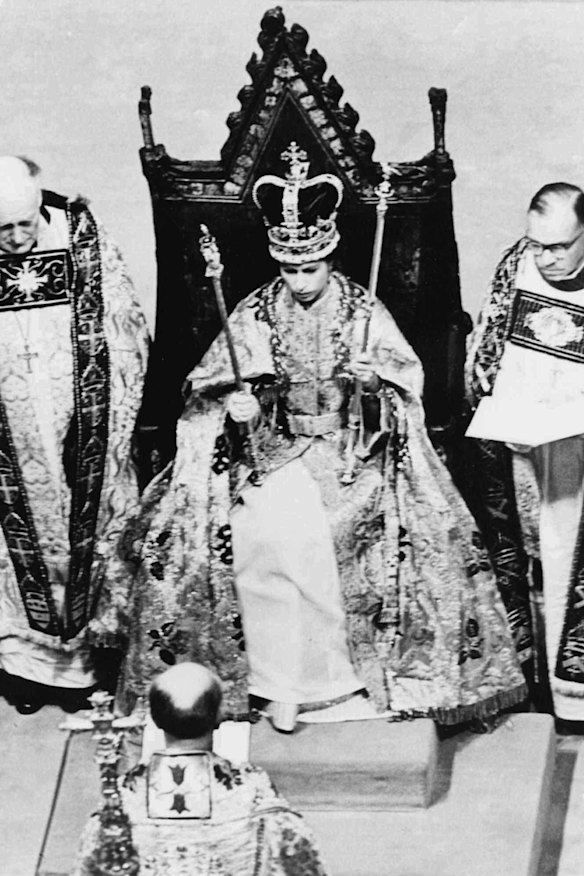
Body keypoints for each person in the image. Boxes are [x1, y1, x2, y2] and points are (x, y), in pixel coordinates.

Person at [114, 142, 526, 731]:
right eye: (289, 269)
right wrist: (237, 404)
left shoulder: (361, 309)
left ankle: (342, 679)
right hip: (277, 451)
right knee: (254, 531)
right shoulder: (257, 311)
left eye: (311, 268)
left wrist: (374, 386)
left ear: (330, 258)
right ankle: (276, 683)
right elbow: (207, 383)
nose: (301, 281)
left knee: (330, 532)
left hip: (352, 452)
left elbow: (406, 386)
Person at [0, 156, 149, 713]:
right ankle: (29, 671)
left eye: (25, 223)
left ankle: (97, 662)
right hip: (9, 437)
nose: (17, 238)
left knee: (90, 532)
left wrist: (107, 414)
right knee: (21, 547)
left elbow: (125, 323)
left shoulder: (80, 236)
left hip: (85, 429)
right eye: (4, 230)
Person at [466, 182, 584, 724]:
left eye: (560, 246)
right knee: (526, 556)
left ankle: (574, 696)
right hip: (520, 437)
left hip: (578, 443)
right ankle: (536, 687)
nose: (546, 258)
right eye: (538, 245)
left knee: (568, 555)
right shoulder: (518, 261)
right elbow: (487, 348)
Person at [73, 662, 329, 876]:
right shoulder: (254, 792)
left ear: (155, 718)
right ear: (220, 715)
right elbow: (298, 861)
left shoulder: (121, 799)